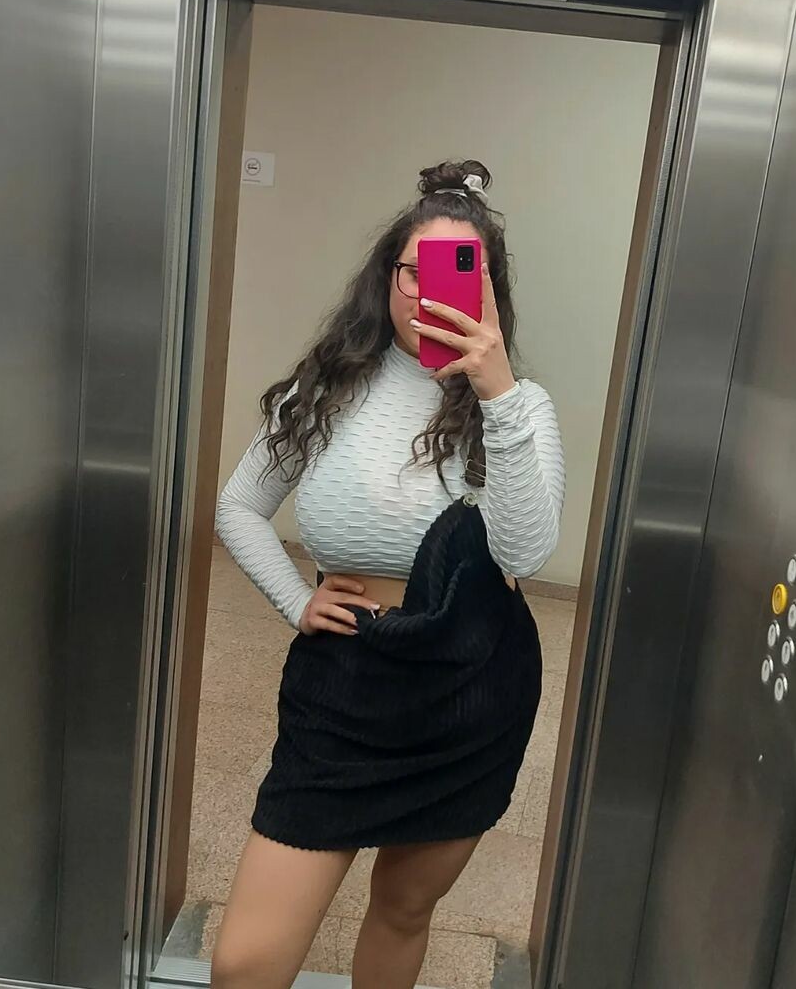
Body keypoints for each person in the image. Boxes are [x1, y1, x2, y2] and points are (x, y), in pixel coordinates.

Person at [210, 160, 566, 989]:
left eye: (459, 271)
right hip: (344, 683)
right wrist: (295, 600)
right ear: (388, 276)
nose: (428, 292)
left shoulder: (521, 407)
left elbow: (524, 555)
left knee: (405, 909)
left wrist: (497, 392)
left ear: (488, 289)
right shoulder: (324, 391)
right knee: (243, 964)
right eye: (415, 269)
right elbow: (239, 507)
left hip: (471, 687)